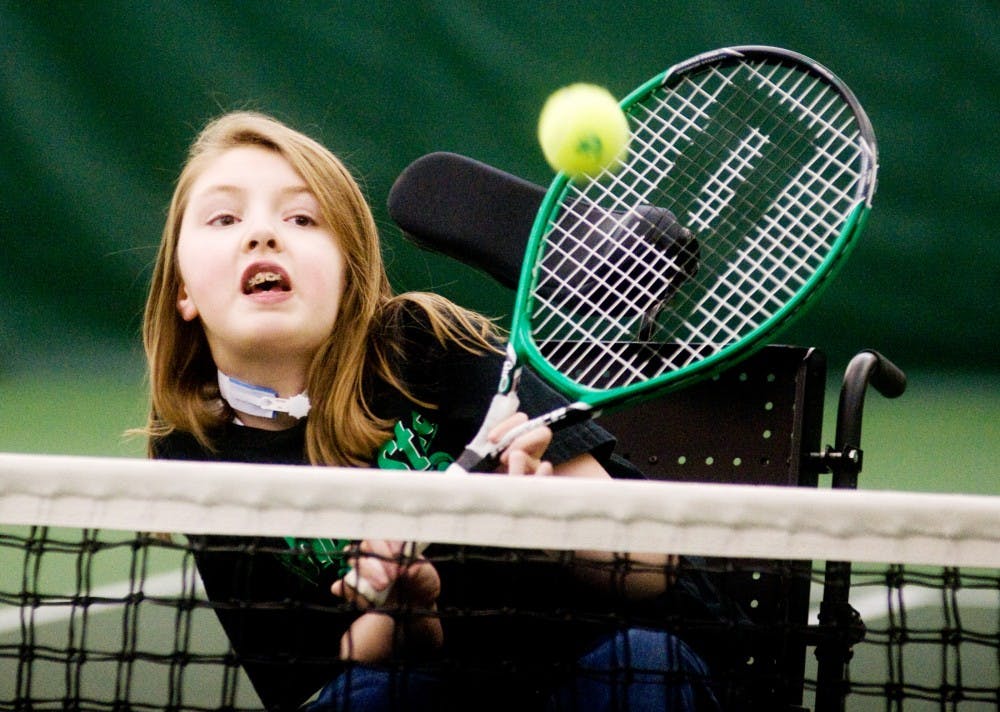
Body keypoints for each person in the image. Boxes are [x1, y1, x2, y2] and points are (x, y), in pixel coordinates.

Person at [141, 111, 719, 711]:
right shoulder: (194, 452)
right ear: (183, 289)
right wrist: (405, 611)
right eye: (224, 218)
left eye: (301, 218)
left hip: (591, 668)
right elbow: (308, 680)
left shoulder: (423, 345)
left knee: (641, 665)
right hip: (430, 686)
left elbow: (656, 565)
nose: (262, 235)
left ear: (349, 275)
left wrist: (549, 521)